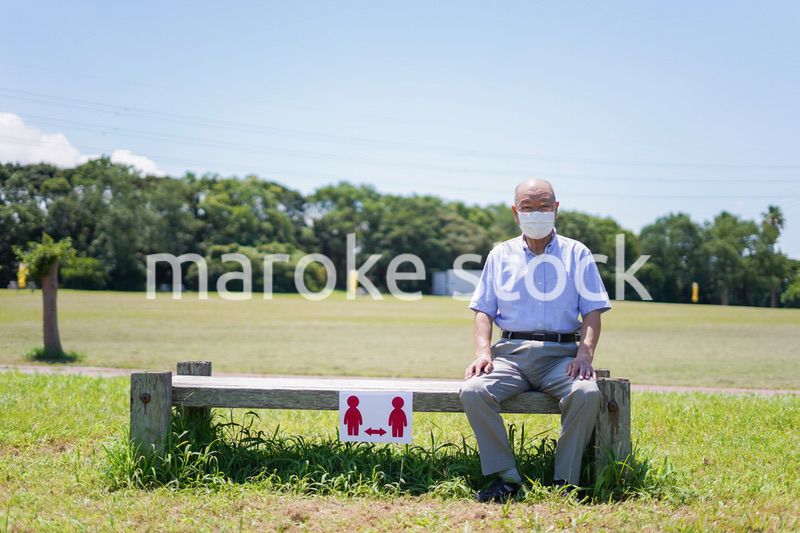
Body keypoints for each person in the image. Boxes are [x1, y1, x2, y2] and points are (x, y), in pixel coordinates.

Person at [460, 179, 611, 503]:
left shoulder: (577, 253)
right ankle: (507, 479)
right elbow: (483, 311)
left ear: (556, 209)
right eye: (528, 207)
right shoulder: (500, 254)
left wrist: (584, 356)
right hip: (510, 355)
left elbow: (593, 312)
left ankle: (565, 482)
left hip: (560, 357)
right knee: (473, 390)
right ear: (516, 213)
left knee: (585, 393)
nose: (536, 213)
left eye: (544, 206)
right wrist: (483, 352)